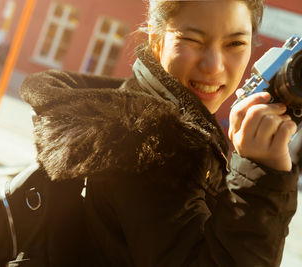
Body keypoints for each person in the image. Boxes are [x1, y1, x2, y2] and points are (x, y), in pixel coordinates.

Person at [19, 0, 299, 266]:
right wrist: (261, 178)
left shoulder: (160, 114)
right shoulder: (149, 143)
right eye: (193, 40)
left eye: (235, 43)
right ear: (156, 40)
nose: (214, 65)